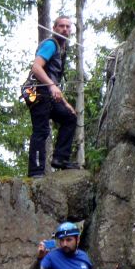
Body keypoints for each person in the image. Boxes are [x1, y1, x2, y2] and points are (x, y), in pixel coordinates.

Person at [26, 16, 78, 178]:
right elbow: (36, 67)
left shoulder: (62, 49)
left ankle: (60, 159)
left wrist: (65, 103)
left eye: (68, 27)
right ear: (54, 28)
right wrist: (51, 85)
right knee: (41, 130)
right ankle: (36, 172)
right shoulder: (50, 44)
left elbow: (53, 82)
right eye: (61, 26)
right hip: (37, 92)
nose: (65, 29)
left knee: (69, 117)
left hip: (47, 93)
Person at [29, 221, 107, 269]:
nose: (64, 244)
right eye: (62, 240)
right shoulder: (52, 256)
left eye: (68, 240)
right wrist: (39, 258)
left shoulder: (83, 256)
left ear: (78, 239)